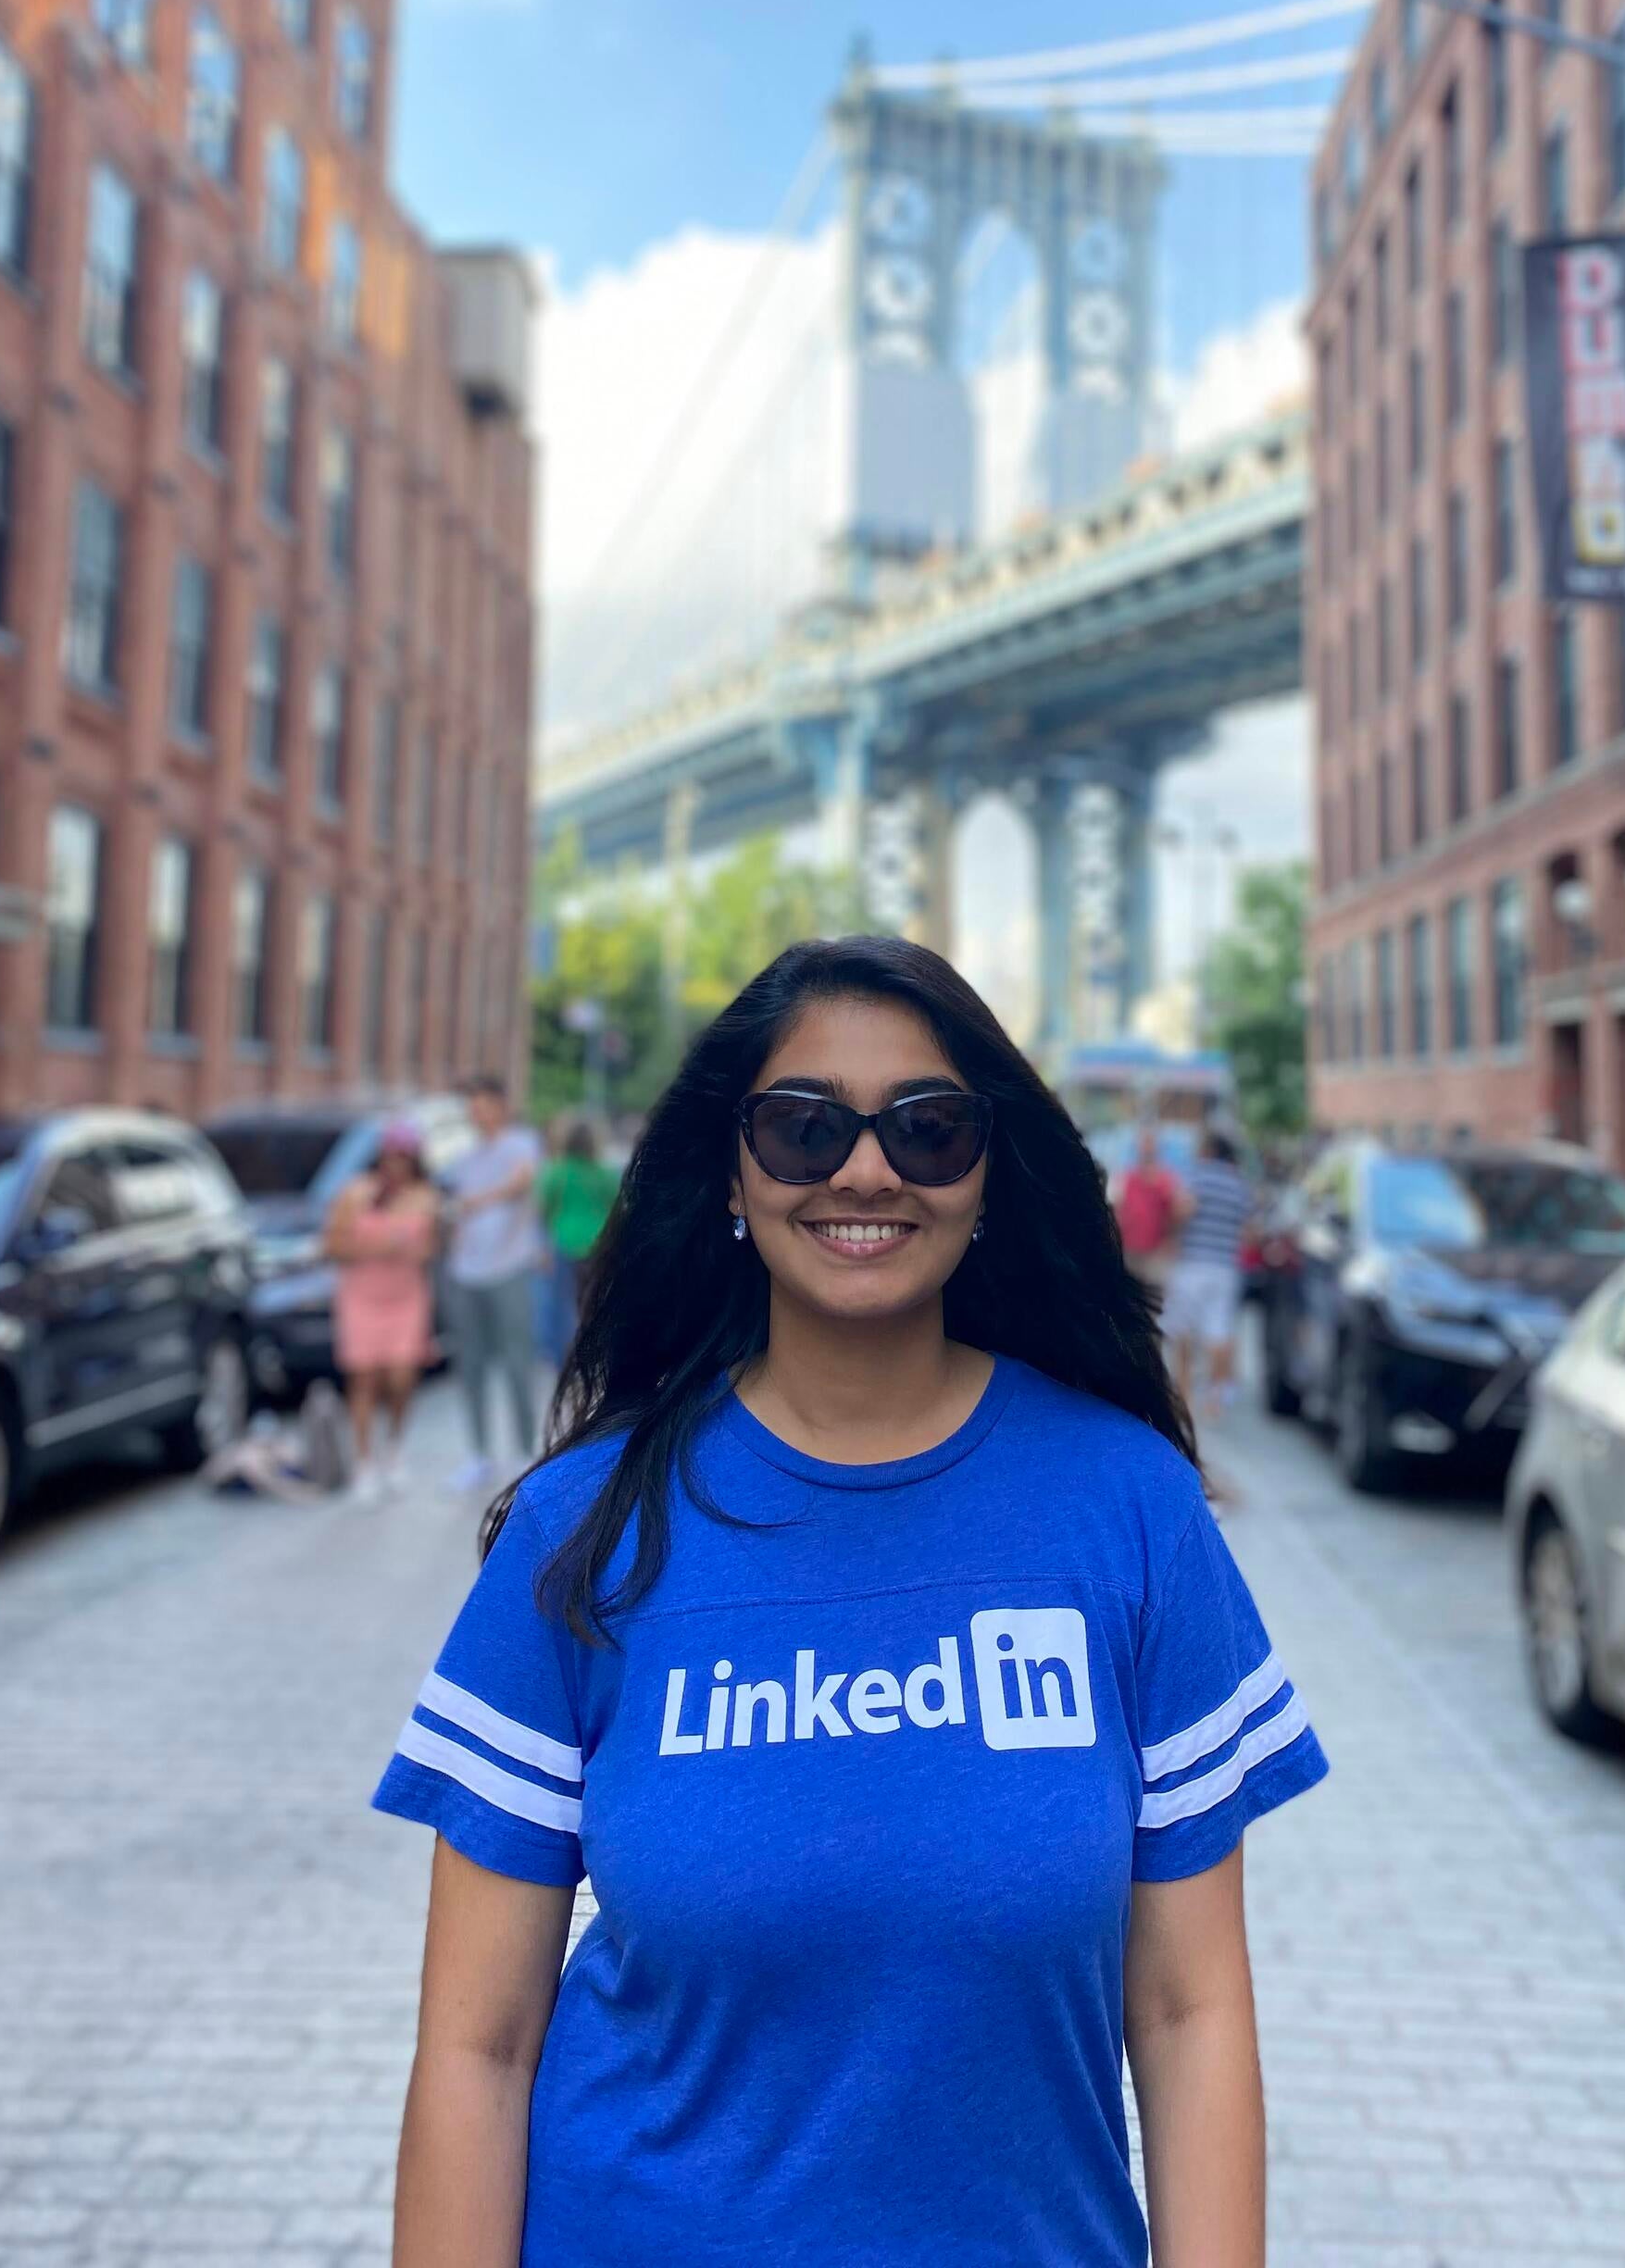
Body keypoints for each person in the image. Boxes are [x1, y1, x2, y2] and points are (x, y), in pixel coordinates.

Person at [375, 937, 1326, 2268]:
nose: (864, 1170)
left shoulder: (1132, 1513)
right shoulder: (579, 1532)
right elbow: (478, 2048)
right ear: (732, 1170)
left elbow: (1186, 2014)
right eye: (802, 1127)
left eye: (927, 1130)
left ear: (988, 1174)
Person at [324, 1122, 441, 1503]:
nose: (397, 1166)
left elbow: (433, 1248)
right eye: (392, 1158)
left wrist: (413, 1249)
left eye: (404, 1159)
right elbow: (332, 1246)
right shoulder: (355, 1193)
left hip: (406, 1296)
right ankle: (363, 1461)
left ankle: (394, 1445)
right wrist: (376, 1249)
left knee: (402, 1375)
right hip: (361, 1295)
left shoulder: (425, 1197)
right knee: (364, 1378)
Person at [440, 1075, 544, 1493]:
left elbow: (521, 1183)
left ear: (500, 1106)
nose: (476, 1113)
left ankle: (524, 1451)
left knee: (517, 1362)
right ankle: (479, 1455)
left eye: (483, 1105)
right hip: (467, 1272)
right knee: (471, 1366)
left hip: (510, 1268)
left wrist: (475, 1202)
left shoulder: (520, 1143)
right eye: (472, 1107)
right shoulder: (466, 1157)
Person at [1161, 1129, 1255, 1415]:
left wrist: (1172, 1234)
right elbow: (1249, 1232)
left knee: (1183, 1331)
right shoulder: (1239, 1185)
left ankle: (1185, 1393)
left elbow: (1181, 1210)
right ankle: (1215, 1399)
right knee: (1219, 1331)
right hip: (1225, 1268)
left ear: (1209, 1150)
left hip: (1192, 1263)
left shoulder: (1196, 1176)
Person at [538, 1117, 619, 1357]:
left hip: (565, 1243)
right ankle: (598, 1352)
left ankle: (568, 1357)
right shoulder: (604, 1173)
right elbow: (618, 1208)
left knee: (564, 1304)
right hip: (599, 1244)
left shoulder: (557, 1172)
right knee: (596, 1303)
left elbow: (543, 1209)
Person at [1115, 1119, 1182, 1285]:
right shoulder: (1127, 1177)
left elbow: (1175, 1212)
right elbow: (1119, 1208)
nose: (1146, 1147)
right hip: (1129, 1249)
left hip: (1156, 1252)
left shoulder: (1166, 1179)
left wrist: (1170, 1241)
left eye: (1150, 1142)